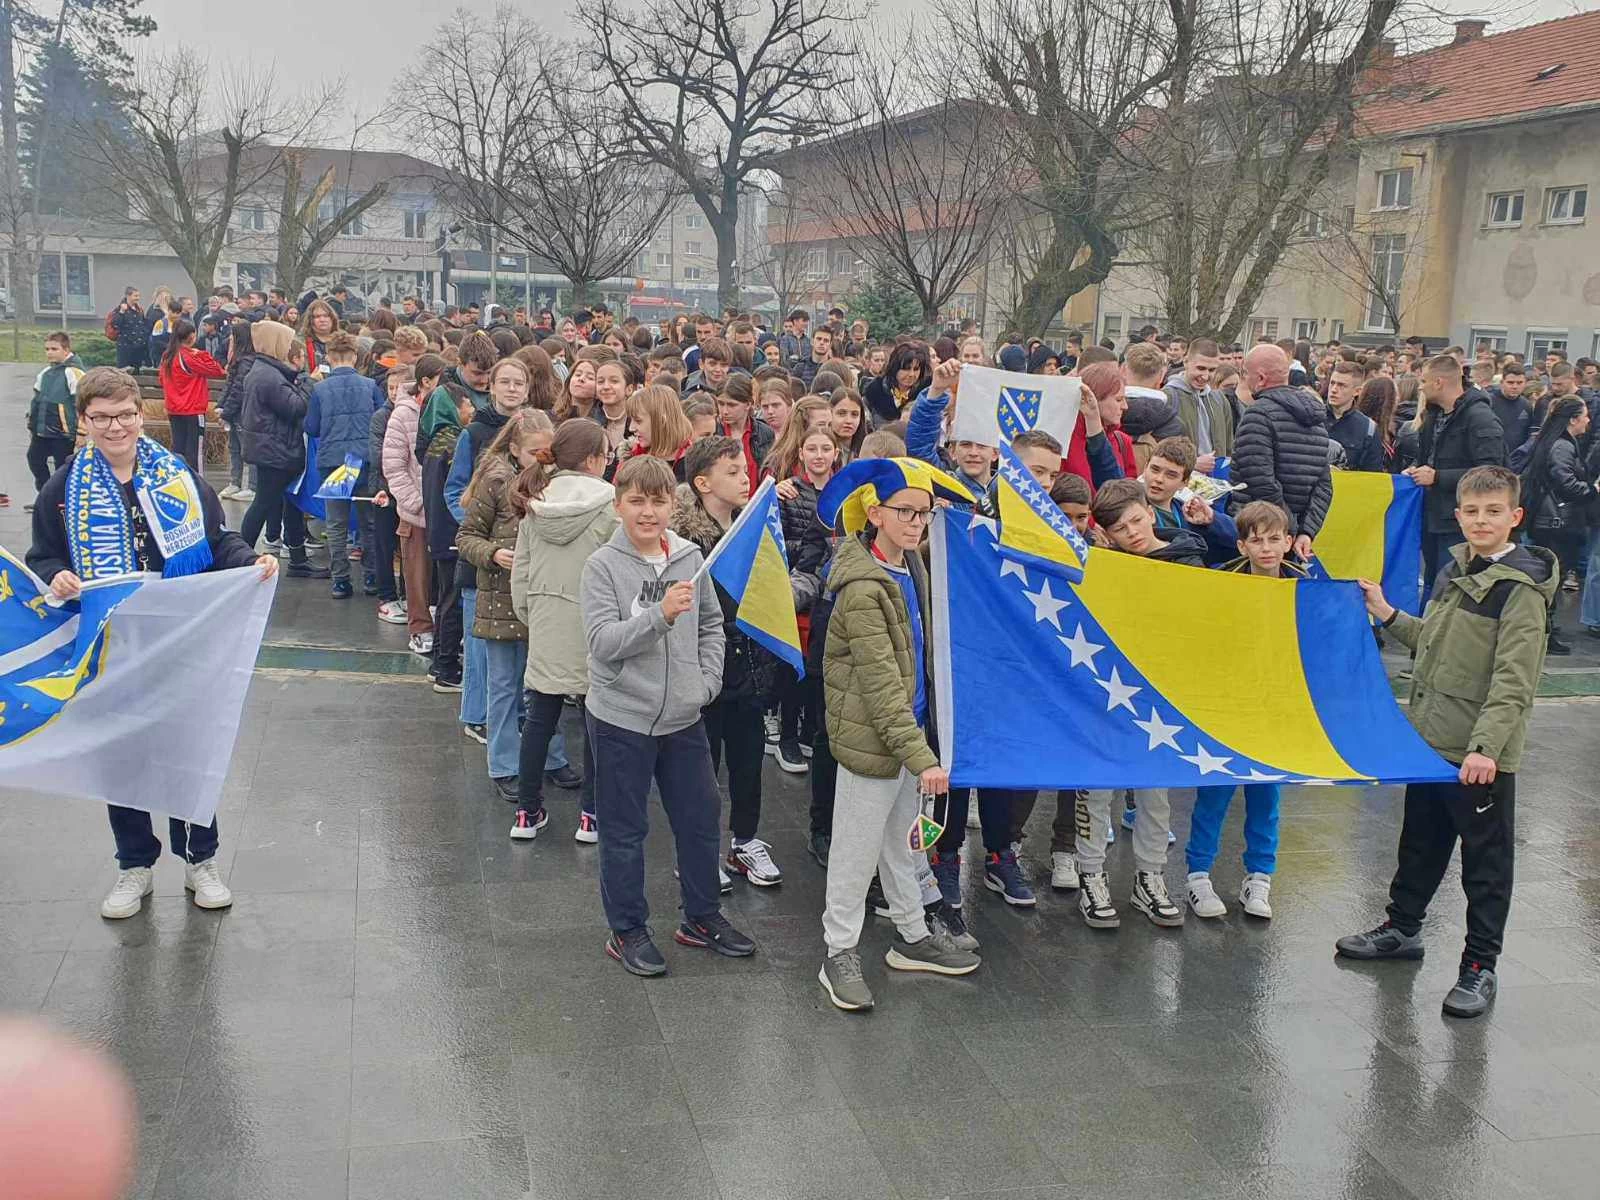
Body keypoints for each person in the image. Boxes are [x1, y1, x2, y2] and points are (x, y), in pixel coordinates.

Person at [26, 366, 277, 920]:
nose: (114, 427)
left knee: (188, 748)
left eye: (124, 415)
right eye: (101, 418)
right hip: (112, 641)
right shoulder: (64, 487)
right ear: (84, 422)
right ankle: (133, 865)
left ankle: (199, 859)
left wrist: (250, 560)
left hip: (178, 636)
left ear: (141, 416)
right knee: (124, 754)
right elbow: (41, 554)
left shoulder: (176, 476)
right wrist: (56, 576)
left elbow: (216, 539)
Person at [1338, 466, 1556, 1019]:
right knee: (1421, 844)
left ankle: (1480, 967)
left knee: (1485, 866)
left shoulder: (1520, 591)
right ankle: (1403, 927)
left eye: (1493, 512)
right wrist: (1386, 613)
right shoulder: (1454, 570)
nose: (1482, 521)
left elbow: (1515, 680)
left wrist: (1486, 748)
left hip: (1478, 757)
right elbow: (1433, 642)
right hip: (1431, 740)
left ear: (1515, 517)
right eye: (1472, 512)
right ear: (1457, 516)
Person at [580, 455, 757, 975]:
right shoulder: (602, 567)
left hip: (683, 716)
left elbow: (709, 626)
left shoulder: (689, 556)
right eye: (637, 501)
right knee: (624, 828)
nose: (648, 512)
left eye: (658, 501)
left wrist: (704, 684)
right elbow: (601, 643)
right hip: (621, 718)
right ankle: (627, 928)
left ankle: (701, 916)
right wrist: (659, 616)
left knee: (701, 820)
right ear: (618, 506)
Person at [817, 458, 983, 1012]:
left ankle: (911, 934)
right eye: (906, 512)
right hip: (875, 742)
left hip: (905, 736)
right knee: (855, 853)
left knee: (899, 843)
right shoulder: (864, 587)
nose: (917, 522)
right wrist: (921, 755)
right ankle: (837, 952)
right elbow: (881, 685)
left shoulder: (908, 567)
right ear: (875, 513)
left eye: (925, 512)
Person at [1071, 477, 1202, 929]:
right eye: (1121, 529)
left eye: (1136, 520)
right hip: (1105, 690)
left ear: (1150, 510)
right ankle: (1091, 874)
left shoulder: (1187, 557)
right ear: (1107, 535)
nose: (1134, 533)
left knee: (1155, 789)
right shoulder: (1100, 566)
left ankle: (1151, 877)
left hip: (1162, 693)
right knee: (1097, 786)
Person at [672, 437, 787, 887]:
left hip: (750, 670)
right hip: (705, 671)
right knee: (703, 769)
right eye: (733, 472)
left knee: (747, 762)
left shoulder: (751, 527)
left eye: (745, 471)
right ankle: (698, 850)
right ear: (702, 483)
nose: (745, 479)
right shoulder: (684, 542)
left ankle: (745, 842)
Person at [1183, 501, 1303, 921]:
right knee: (1214, 792)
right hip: (1228, 707)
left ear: (1289, 542)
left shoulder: (1307, 587)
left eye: (1275, 540)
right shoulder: (1222, 583)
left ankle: (1260, 876)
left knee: (1267, 794)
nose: (1267, 549)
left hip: (1275, 709)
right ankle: (1198, 874)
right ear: (1241, 544)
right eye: (1257, 541)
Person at [508, 419, 612, 842]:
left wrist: (532, 612)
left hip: (546, 614)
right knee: (596, 721)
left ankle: (526, 812)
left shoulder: (536, 500)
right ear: (593, 460)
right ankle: (591, 814)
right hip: (594, 620)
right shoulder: (609, 502)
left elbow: (522, 568)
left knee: (539, 718)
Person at [457, 409, 556, 801]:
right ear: (515, 449)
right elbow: (466, 536)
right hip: (500, 597)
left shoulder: (556, 482)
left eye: (548, 452)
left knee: (546, 685)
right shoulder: (495, 481)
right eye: (535, 452)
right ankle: (503, 764)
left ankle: (550, 757)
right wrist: (494, 553)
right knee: (503, 686)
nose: (543, 459)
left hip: (541, 596)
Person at [1405, 354, 1506, 599]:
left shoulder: (1479, 417)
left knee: (1450, 586)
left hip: (1460, 522)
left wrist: (1438, 477)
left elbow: (1493, 472)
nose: (1420, 387)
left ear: (1439, 382)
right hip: (1434, 516)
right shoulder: (1434, 414)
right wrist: (1416, 468)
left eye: (1424, 381)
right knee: (1432, 582)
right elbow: (1430, 456)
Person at [237, 321, 327, 579]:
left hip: (273, 448)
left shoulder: (265, 371)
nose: (289, 347)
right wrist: (311, 381)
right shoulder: (268, 376)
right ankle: (239, 558)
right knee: (264, 503)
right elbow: (296, 407)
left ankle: (297, 557)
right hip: (275, 450)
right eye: (285, 342)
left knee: (290, 504)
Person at [302, 331, 384, 599]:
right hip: (363, 460)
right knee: (368, 522)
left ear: (329, 357)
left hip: (334, 462)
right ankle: (372, 576)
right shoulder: (370, 385)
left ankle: (340, 580)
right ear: (356, 356)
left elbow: (311, 426)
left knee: (336, 524)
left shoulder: (320, 389)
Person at [1233, 344, 1332, 563]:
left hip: (1260, 534)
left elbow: (1261, 482)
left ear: (1260, 378)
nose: (1245, 381)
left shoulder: (1257, 415)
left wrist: (1291, 530)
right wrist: (1306, 532)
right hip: (1286, 538)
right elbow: (1323, 486)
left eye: (1245, 374)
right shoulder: (1316, 421)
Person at [1518, 396, 1592, 655]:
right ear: (1573, 419)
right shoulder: (1563, 446)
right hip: (1558, 522)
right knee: (1553, 578)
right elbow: (1566, 483)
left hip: (1548, 520)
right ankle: (1544, 632)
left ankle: (1545, 628)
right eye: (1584, 415)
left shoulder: (1553, 442)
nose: (1588, 420)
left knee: (1549, 577)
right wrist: (1592, 488)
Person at [415, 365, 467, 688]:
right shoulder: (453, 442)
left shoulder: (434, 441)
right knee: (453, 599)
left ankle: (440, 661)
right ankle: (446, 667)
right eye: (467, 406)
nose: (471, 410)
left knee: (446, 596)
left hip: (438, 530)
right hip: (450, 532)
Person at [380, 362, 434, 655]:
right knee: (416, 573)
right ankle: (420, 628)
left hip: (444, 508)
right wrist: (414, 501)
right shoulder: (402, 414)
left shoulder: (447, 408)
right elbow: (394, 466)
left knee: (440, 575)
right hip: (415, 510)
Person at [1141, 435, 1238, 565]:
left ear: (1185, 482)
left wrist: (1213, 519)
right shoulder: (1132, 507)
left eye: (1171, 475)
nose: (1159, 479)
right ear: (1145, 468)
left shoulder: (1189, 516)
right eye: (1155, 469)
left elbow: (1242, 542)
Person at [26, 332, 83, 503]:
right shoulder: (45, 373)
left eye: (54, 349)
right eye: (47, 349)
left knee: (62, 468)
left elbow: (82, 404)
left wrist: (81, 432)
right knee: (34, 458)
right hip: (42, 429)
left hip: (63, 432)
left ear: (66, 350)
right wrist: (32, 425)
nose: (49, 352)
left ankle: (61, 501)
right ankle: (45, 496)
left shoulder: (73, 372)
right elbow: (37, 401)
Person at [1164, 338, 1234, 473]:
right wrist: (1192, 463)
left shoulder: (1219, 399)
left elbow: (1229, 446)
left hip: (1214, 483)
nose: (1205, 376)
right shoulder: (1168, 398)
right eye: (1200, 368)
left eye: (1212, 370)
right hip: (1180, 483)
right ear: (1186, 362)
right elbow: (1158, 450)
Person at [1325, 359, 1385, 472]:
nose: (1333, 390)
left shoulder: (1368, 429)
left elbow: (1372, 475)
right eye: (1332, 383)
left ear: (1357, 391)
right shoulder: (1311, 418)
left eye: (1341, 385)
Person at [863, 341, 931, 424]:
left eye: (916, 369)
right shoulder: (875, 390)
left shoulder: (925, 393)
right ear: (895, 367)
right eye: (906, 369)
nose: (911, 374)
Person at [1487, 363, 1532, 459]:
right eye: (1510, 382)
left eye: (1519, 383)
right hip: (1493, 457)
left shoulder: (1527, 405)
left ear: (1525, 383)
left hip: (1516, 460)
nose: (1515, 386)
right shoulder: (1488, 402)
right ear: (1502, 382)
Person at [108, 287, 150, 369]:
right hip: (125, 347)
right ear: (128, 296)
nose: (138, 298)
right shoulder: (120, 309)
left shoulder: (139, 310)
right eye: (135, 296)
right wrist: (121, 312)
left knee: (137, 372)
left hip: (138, 348)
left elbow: (143, 326)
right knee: (124, 371)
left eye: (138, 296)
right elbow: (115, 324)